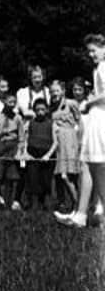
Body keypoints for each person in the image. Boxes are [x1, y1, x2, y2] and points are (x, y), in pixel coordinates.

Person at [56, 35, 105, 229]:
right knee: (89, 165)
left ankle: (84, 214)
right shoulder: (98, 68)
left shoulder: (103, 67)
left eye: (94, 50)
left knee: (98, 166)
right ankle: (81, 214)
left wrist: (88, 102)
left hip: (101, 118)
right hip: (97, 117)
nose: (91, 54)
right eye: (89, 51)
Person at [18, 96, 57, 214]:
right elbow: (24, 139)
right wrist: (25, 153)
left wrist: (48, 155)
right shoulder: (29, 123)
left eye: (43, 109)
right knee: (32, 179)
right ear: (34, 110)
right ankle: (31, 204)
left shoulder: (52, 124)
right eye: (38, 109)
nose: (40, 112)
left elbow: (56, 142)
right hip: (32, 154)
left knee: (45, 180)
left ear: (47, 110)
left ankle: (44, 203)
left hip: (46, 155)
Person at [50, 78, 82, 213]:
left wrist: (79, 142)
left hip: (70, 142)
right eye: (52, 91)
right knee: (64, 176)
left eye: (57, 90)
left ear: (63, 91)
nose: (54, 93)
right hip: (59, 145)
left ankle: (79, 206)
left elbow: (80, 122)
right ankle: (77, 206)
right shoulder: (52, 107)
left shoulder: (71, 103)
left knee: (67, 176)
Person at [0, 93, 22, 210]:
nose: (12, 105)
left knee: (11, 176)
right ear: (4, 103)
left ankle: (8, 203)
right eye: (9, 102)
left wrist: (19, 151)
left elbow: (21, 137)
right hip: (0, 144)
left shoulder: (17, 118)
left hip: (13, 146)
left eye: (14, 102)